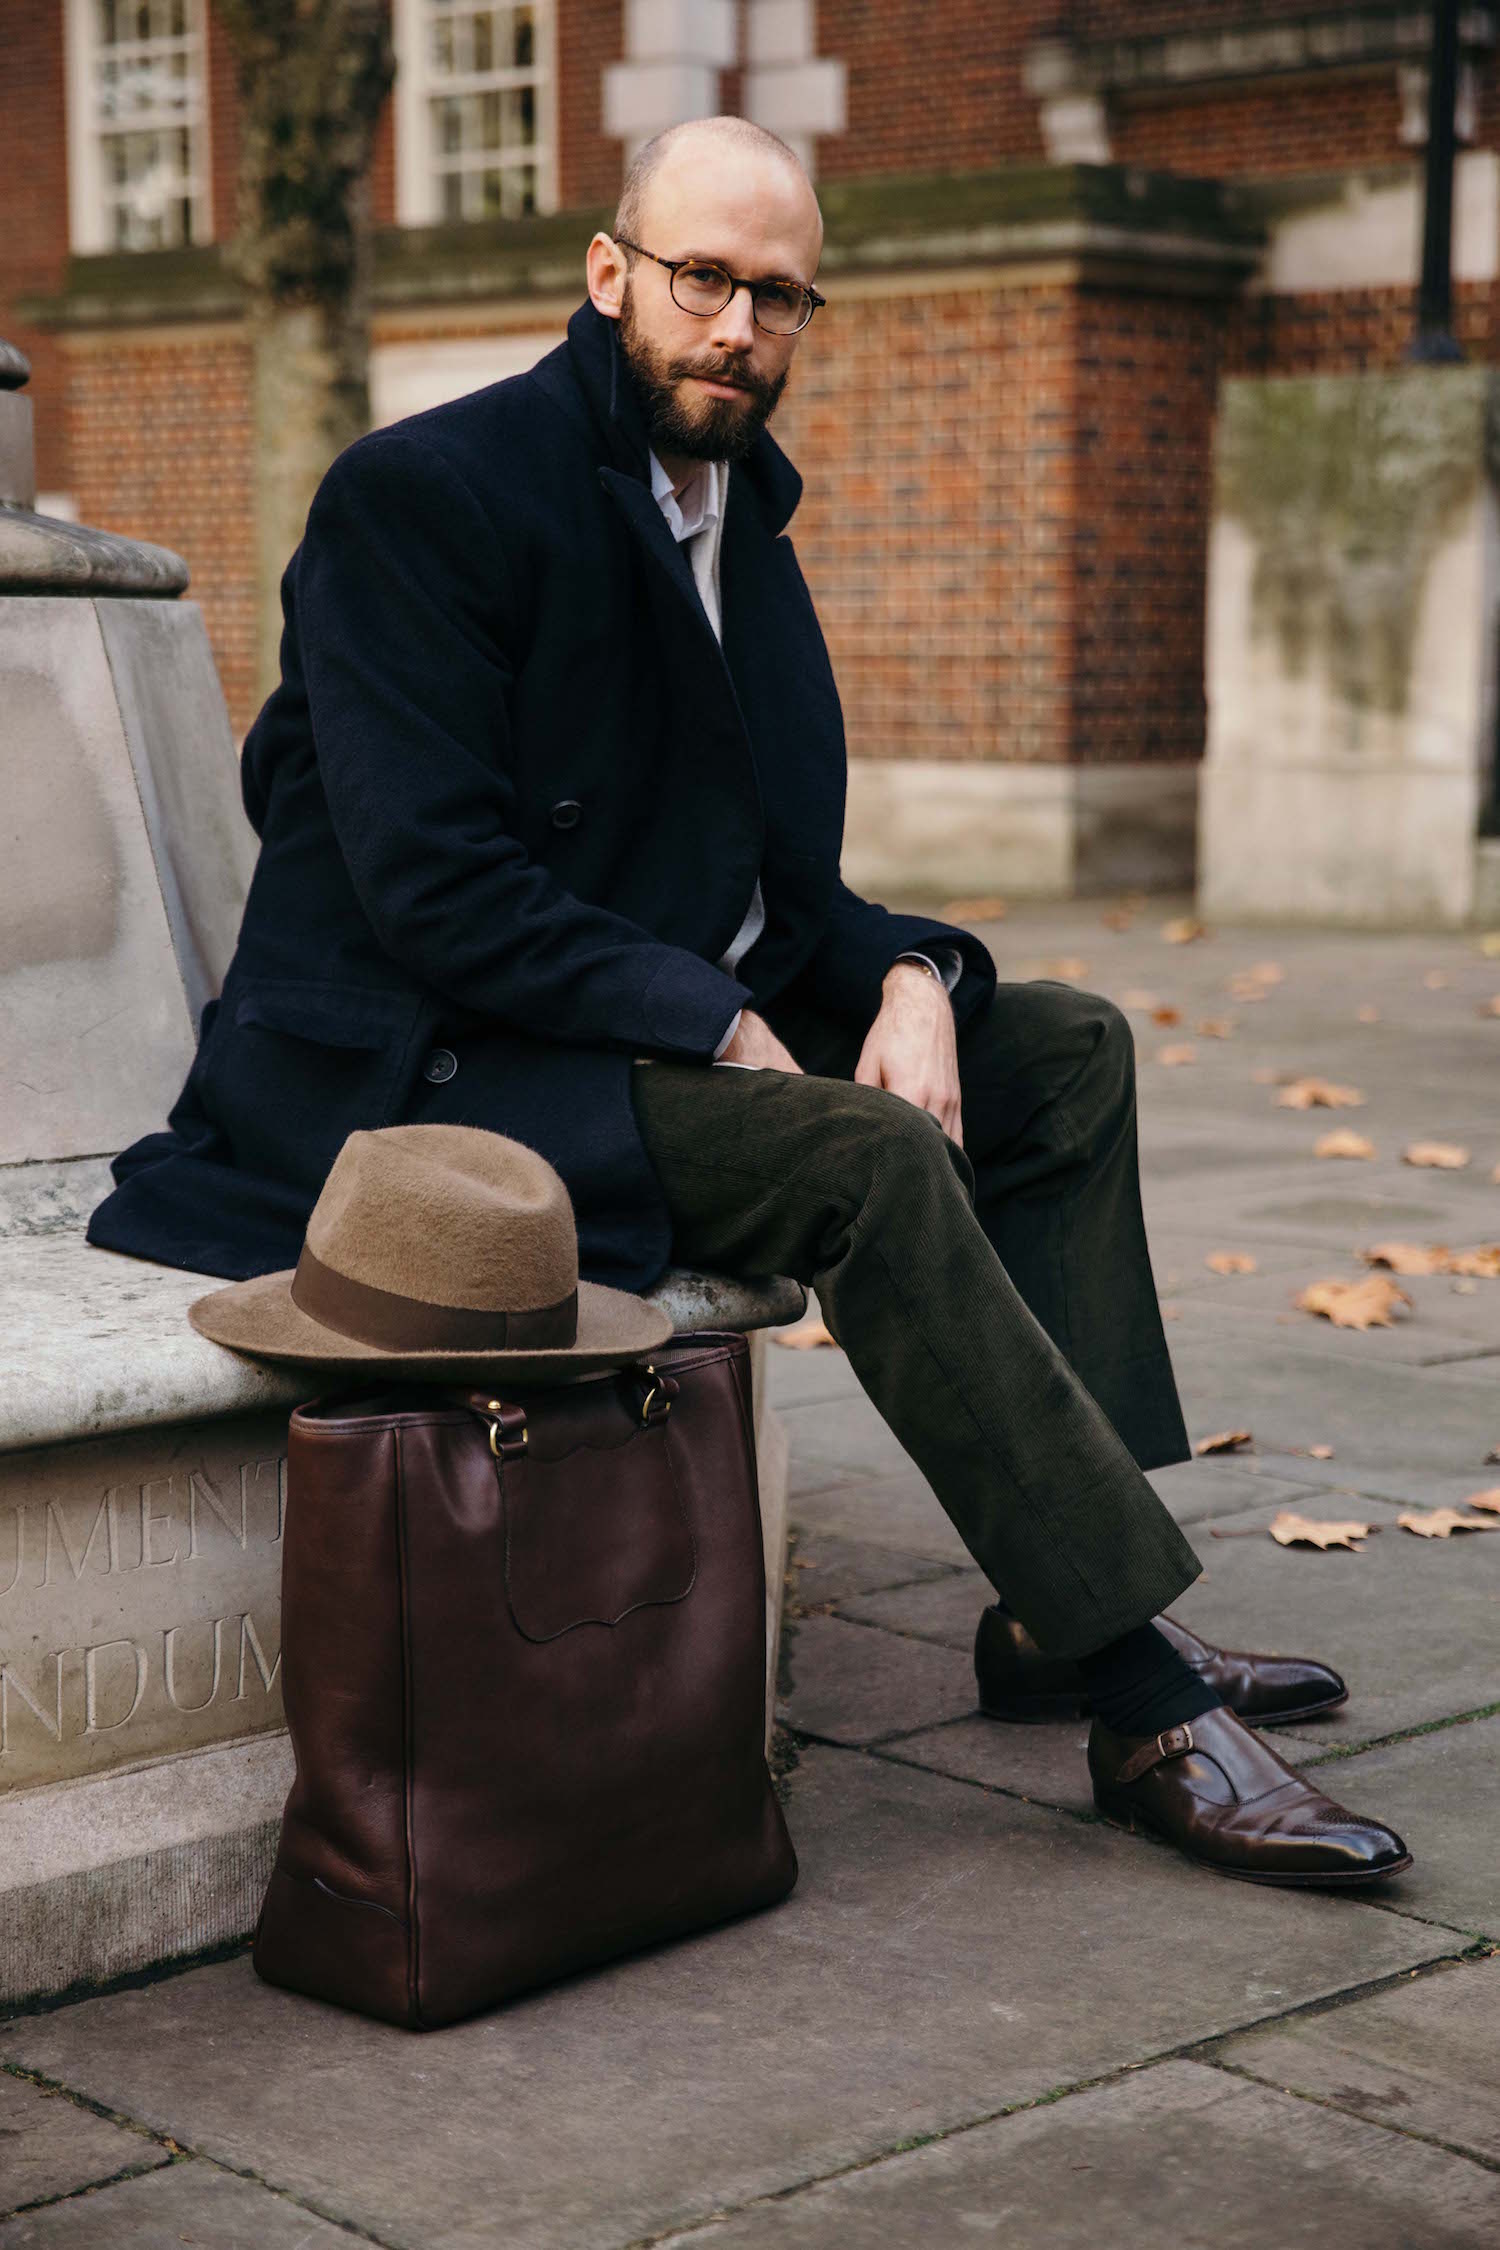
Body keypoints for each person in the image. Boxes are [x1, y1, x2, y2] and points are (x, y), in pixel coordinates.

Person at [89, 116, 1409, 1890]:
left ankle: (1052, 1595)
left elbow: (786, 896)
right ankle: (1139, 1684)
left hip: (606, 1030)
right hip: (424, 1073)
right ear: (611, 269)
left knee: (1070, 1053)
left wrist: (917, 975)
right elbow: (437, 888)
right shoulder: (427, 496)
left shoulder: (742, 525)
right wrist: (710, 1020)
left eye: (781, 296)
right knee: (858, 1158)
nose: (738, 327)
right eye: (704, 277)